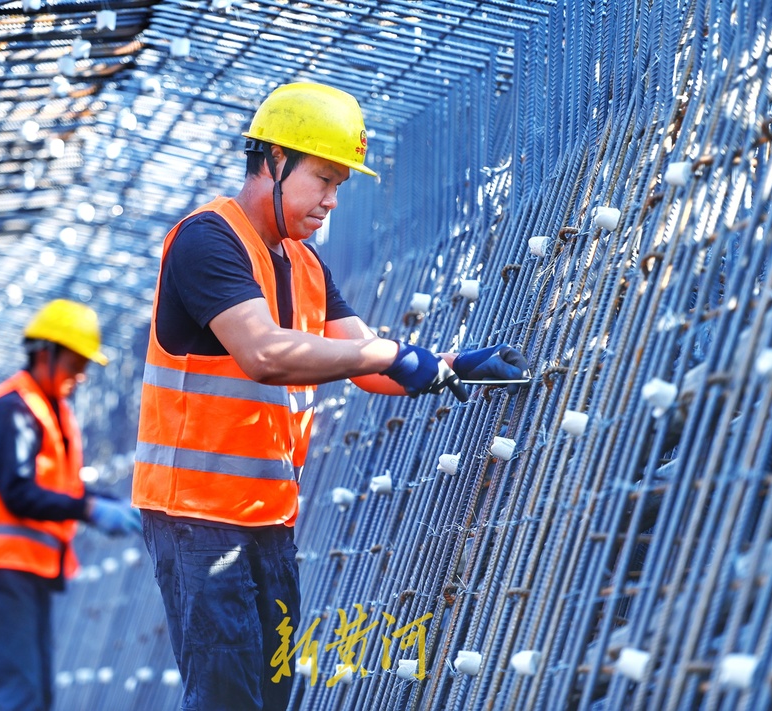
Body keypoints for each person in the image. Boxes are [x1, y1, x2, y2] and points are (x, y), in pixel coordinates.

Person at [131, 81, 528, 711]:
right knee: (227, 697)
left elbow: (364, 359)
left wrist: (450, 366)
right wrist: (385, 354)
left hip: (268, 518)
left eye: (341, 185)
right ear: (275, 160)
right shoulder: (207, 241)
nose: (332, 201)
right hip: (197, 518)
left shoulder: (306, 265)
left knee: (273, 691)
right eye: (324, 179)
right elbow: (264, 353)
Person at [0, 298, 142, 711]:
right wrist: (89, 510)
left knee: (33, 691)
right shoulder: (13, 412)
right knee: (15, 693)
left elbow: (59, 487)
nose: (81, 375)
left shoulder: (46, 411)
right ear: (46, 353)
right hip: (3, 568)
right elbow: (18, 493)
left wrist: (102, 503)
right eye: (76, 363)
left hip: (24, 570)